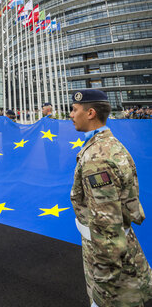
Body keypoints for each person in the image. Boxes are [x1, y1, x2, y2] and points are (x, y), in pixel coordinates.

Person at [70, 89, 152, 307]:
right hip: (123, 253)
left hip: (115, 274)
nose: (70, 114)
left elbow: (107, 226)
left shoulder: (98, 158)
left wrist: (103, 288)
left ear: (90, 113)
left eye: (74, 109)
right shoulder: (108, 145)